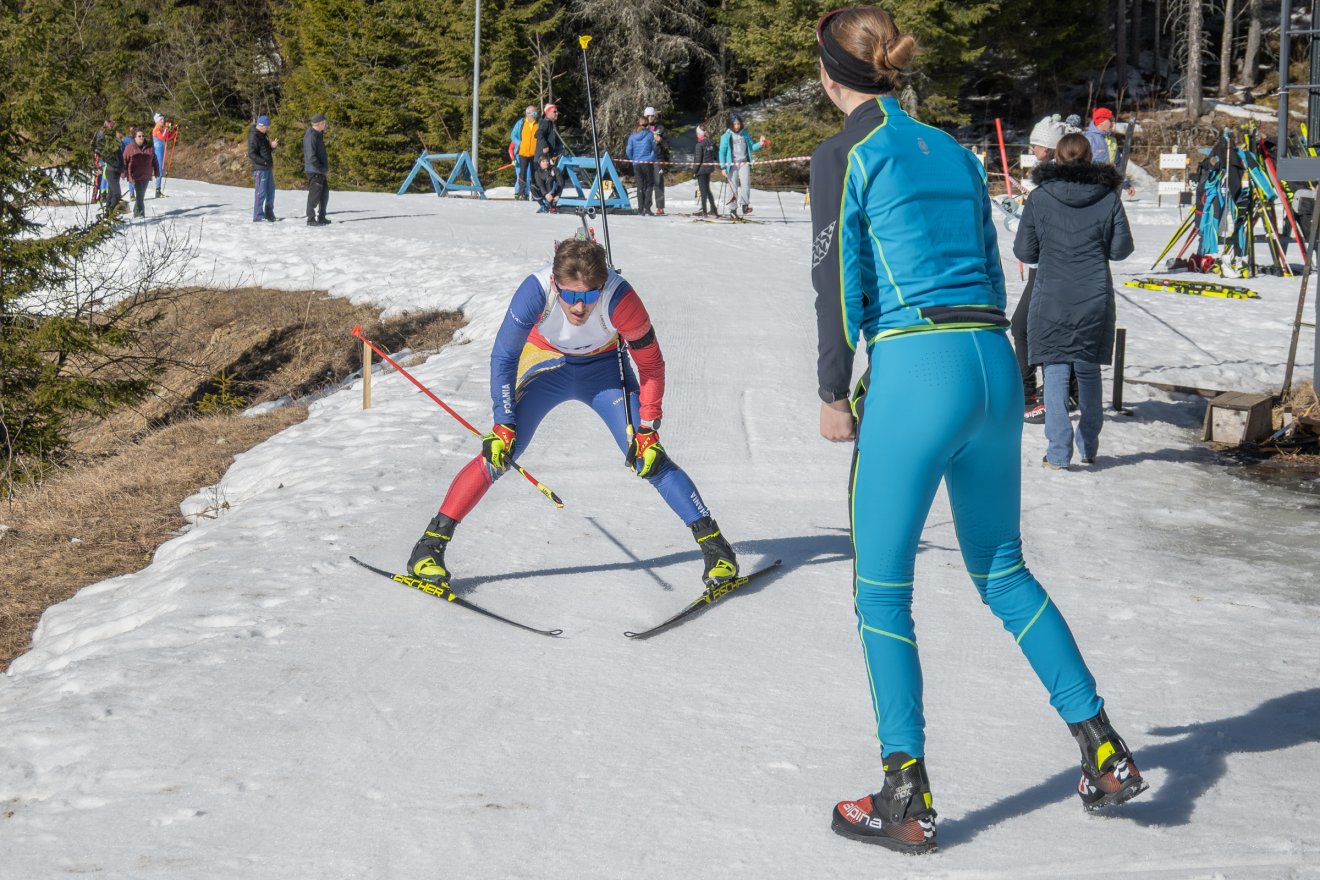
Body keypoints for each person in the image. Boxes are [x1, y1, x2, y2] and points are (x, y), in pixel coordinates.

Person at [810, 7, 1146, 854]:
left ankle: (904, 795)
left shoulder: (845, 152)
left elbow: (834, 286)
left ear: (829, 74)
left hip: (917, 367)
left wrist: (831, 389)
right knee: (1001, 567)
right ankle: (1101, 746)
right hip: (991, 362)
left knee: (882, 588)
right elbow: (996, 264)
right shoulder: (953, 149)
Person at [405, 238, 739, 593]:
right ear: (555, 283)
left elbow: (652, 365)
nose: (580, 306)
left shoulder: (622, 299)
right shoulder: (534, 292)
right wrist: (502, 422)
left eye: (590, 295)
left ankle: (718, 552)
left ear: (603, 284)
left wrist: (647, 427)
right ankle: (428, 549)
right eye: (570, 295)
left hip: (605, 369)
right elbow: (503, 358)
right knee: (501, 452)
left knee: (650, 458)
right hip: (547, 364)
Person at [1013, 133, 1134, 470]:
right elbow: (1121, 249)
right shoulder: (1108, 197)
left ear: (1057, 158)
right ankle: (1089, 446)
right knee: (1088, 370)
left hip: (1051, 295)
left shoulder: (1039, 198)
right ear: (1090, 157)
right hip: (1093, 296)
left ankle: (1057, 453)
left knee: (1054, 371)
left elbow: (1024, 251)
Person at [1013, 114, 1066, 420]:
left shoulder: (1051, 184)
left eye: (1036, 144)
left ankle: (1032, 396)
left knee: (1024, 327)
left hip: (1048, 267)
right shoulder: (1049, 181)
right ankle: (1043, 393)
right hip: (1050, 266)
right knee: (1029, 327)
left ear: (1049, 148)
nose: (1032, 149)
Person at [719, 114, 767, 217]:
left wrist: (761, 144)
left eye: (738, 123)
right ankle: (733, 210)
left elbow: (751, 147)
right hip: (731, 164)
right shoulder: (726, 136)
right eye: (734, 124)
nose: (737, 126)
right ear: (730, 124)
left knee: (746, 184)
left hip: (744, 163)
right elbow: (722, 152)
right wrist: (723, 167)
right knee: (733, 187)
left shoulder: (744, 134)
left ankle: (745, 205)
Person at [1084, 107, 1136, 197]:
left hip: (1108, 188)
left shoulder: (1112, 140)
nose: (1113, 123)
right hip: (1090, 189)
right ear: (1101, 121)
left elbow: (1118, 165)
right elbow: (1080, 165)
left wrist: (1126, 184)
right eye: (1110, 120)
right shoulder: (1088, 139)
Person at [120, 127, 159, 219]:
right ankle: (140, 214)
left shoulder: (149, 147)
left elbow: (155, 160)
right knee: (140, 195)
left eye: (143, 136)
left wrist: (157, 171)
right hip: (134, 176)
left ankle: (136, 211)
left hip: (146, 175)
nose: (142, 137)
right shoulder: (130, 147)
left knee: (140, 195)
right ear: (135, 138)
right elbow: (124, 160)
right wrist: (123, 172)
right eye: (139, 136)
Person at [248, 114, 279, 222]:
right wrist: (264, 162)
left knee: (271, 191)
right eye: (267, 126)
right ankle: (257, 216)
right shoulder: (254, 135)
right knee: (261, 193)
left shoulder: (263, 135)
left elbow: (265, 151)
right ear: (262, 126)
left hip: (267, 168)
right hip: (260, 169)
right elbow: (252, 154)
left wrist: (272, 147)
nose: (269, 128)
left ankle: (269, 213)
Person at [626, 116, 657, 216]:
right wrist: (651, 158)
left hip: (637, 163)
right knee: (649, 185)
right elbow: (654, 148)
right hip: (647, 163)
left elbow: (628, 150)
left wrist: (632, 159)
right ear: (647, 125)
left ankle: (640, 209)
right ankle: (647, 208)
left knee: (640, 186)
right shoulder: (650, 135)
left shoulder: (632, 136)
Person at [303, 113, 330, 226]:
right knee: (314, 195)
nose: (325, 125)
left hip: (320, 170)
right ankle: (311, 219)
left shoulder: (318, 134)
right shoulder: (311, 136)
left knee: (324, 193)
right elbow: (311, 156)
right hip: (314, 170)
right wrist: (321, 168)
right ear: (319, 124)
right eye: (324, 123)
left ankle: (322, 216)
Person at [510, 106, 539, 200]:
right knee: (522, 173)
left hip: (535, 153)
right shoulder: (521, 123)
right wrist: (519, 143)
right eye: (533, 113)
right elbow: (513, 135)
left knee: (534, 174)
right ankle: (521, 193)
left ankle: (535, 194)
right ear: (527, 114)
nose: (535, 115)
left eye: (536, 113)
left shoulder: (538, 123)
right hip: (522, 152)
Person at [644, 106, 669, 215]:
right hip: (645, 158)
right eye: (648, 116)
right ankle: (646, 206)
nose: (650, 118)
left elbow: (667, 144)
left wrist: (660, 140)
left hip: (657, 158)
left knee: (658, 182)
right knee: (646, 183)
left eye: (652, 115)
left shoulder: (660, 128)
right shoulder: (642, 128)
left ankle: (660, 207)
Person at [98, 123, 124, 215]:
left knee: (111, 193)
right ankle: (110, 211)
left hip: (117, 171)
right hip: (110, 171)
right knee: (117, 193)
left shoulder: (118, 144)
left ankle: (107, 213)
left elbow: (120, 158)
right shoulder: (108, 144)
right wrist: (117, 165)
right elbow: (107, 158)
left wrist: (122, 169)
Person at [693, 125, 718, 217]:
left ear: (698, 133)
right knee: (707, 190)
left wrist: (694, 171)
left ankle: (704, 211)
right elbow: (715, 155)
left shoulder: (699, 145)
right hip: (709, 169)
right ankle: (713, 210)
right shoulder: (710, 142)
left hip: (702, 170)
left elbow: (697, 160)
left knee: (703, 191)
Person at [150, 113, 177, 197]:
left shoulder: (161, 129)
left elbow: (167, 137)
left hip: (161, 151)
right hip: (158, 151)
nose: (163, 121)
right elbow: (161, 137)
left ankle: (158, 191)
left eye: (163, 119)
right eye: (161, 119)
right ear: (157, 121)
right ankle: (157, 191)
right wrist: (166, 129)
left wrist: (174, 132)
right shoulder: (156, 129)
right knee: (160, 171)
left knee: (161, 171)